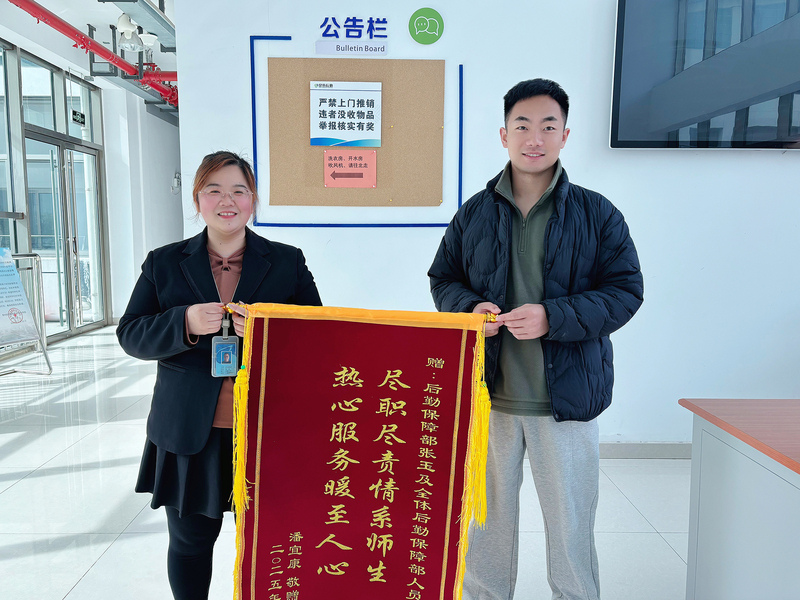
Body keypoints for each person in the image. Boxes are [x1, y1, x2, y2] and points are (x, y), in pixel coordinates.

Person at [428, 79, 643, 600]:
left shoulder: (596, 213)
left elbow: (625, 292)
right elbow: (443, 279)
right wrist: (467, 308)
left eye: (548, 126)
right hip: (489, 398)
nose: (535, 138)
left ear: (565, 135)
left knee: (571, 529)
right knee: (484, 528)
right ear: (504, 135)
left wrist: (554, 317)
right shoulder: (474, 213)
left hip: (566, 401)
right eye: (522, 125)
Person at [117, 151, 322, 599]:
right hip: (189, 431)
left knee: (271, 543)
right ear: (197, 199)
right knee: (190, 544)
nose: (227, 201)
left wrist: (270, 330)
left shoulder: (286, 261)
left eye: (238, 191)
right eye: (214, 190)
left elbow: (316, 337)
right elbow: (130, 334)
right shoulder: (163, 262)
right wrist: (184, 322)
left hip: (266, 430)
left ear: (253, 200)